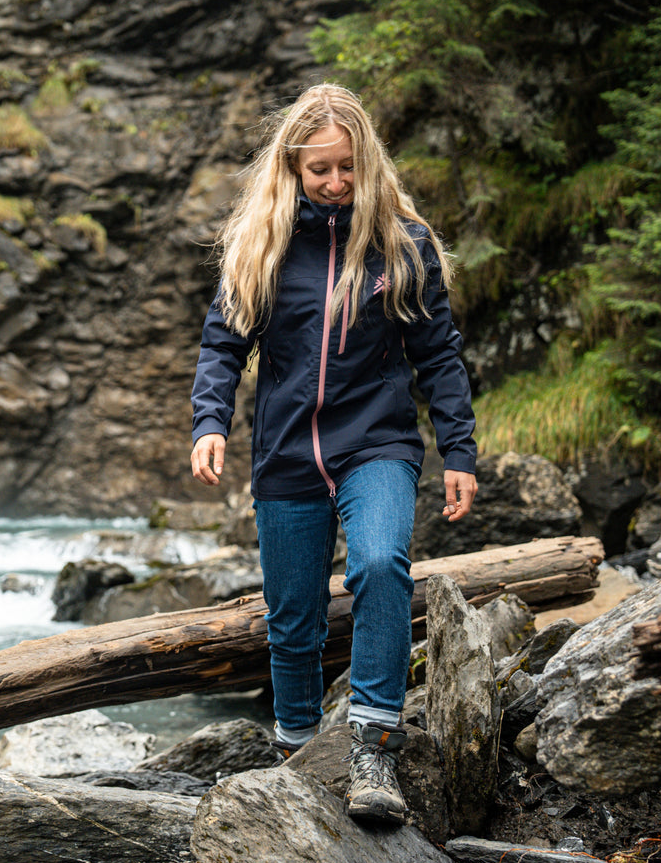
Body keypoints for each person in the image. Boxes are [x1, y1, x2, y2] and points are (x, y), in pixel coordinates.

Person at [189, 84, 477, 825]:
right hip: (286, 452)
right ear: (292, 167)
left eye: (348, 168)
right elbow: (224, 345)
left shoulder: (400, 244)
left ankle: (373, 749)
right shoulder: (262, 243)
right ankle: (296, 752)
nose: (336, 183)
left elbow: (439, 357)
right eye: (321, 170)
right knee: (293, 619)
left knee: (379, 563)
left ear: (367, 163)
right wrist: (209, 422)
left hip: (376, 439)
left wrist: (459, 453)